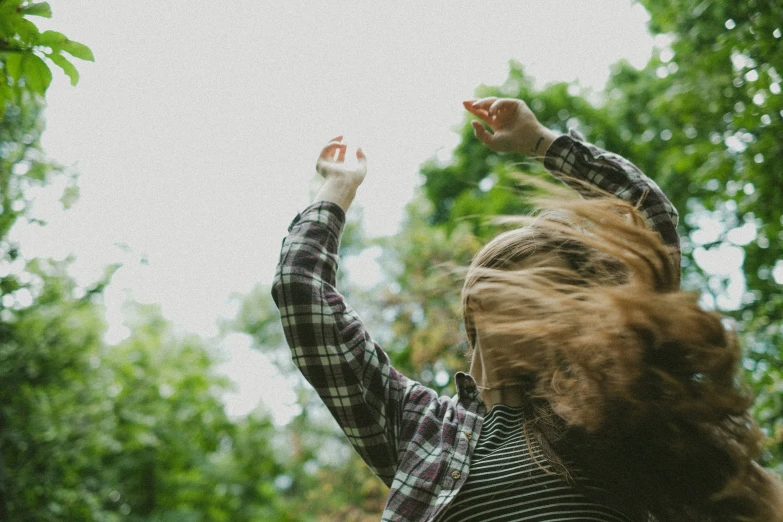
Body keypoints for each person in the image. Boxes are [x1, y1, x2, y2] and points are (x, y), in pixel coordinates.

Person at [271, 97, 783, 521]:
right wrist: (338, 185)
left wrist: (543, 143)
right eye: (527, 283)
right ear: (478, 307)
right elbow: (302, 295)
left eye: (561, 291)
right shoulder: (419, 428)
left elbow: (648, 222)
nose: (546, 304)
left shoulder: (608, 403)